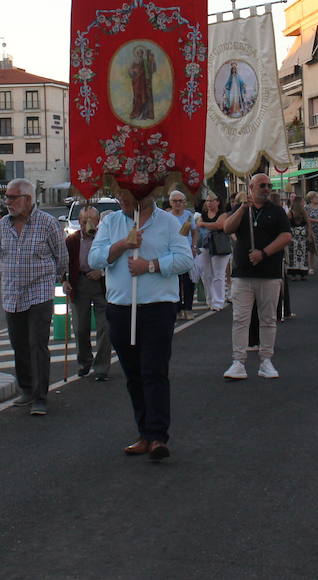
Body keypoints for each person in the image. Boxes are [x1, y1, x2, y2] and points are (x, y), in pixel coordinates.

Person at [88, 187, 192, 460]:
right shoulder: (111, 222)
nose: (122, 199)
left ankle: (157, 436)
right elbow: (94, 258)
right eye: (119, 194)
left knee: (154, 370)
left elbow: (184, 259)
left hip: (158, 306)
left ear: (145, 195)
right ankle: (144, 432)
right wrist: (122, 245)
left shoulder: (168, 222)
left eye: (128, 194)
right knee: (133, 374)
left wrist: (151, 265)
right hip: (120, 307)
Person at [0, 177, 67, 416]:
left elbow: (61, 256)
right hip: (12, 293)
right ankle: (26, 389)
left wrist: (59, 278)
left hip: (39, 292)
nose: (7, 202)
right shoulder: (3, 225)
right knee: (18, 344)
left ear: (27, 199)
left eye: (12, 197)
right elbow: (2, 255)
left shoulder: (47, 223)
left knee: (37, 345)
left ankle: (39, 397)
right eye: (6, 197)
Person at [219, 173, 292, 377]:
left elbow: (286, 236)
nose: (267, 189)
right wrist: (243, 208)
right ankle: (238, 362)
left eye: (269, 185)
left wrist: (264, 253)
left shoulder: (277, 211)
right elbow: (227, 228)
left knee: (268, 319)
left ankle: (266, 360)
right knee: (240, 319)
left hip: (269, 274)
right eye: (262, 185)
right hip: (242, 274)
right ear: (251, 187)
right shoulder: (241, 209)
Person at [63, 205, 111, 381]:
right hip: (80, 283)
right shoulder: (72, 240)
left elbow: (115, 259)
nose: (87, 225)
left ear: (98, 222)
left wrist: (102, 271)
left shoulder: (105, 239)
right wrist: (64, 280)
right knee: (80, 328)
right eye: (84, 222)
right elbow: (64, 262)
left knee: (104, 327)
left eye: (91, 221)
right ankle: (84, 362)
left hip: (101, 285)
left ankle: (101, 368)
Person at [194, 194, 230, 311]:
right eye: (207, 201)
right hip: (205, 245)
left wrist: (204, 224)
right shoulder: (203, 215)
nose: (209, 203)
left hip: (219, 246)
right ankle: (210, 300)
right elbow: (198, 226)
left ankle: (218, 302)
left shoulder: (223, 214)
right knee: (206, 274)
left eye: (211, 200)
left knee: (218, 274)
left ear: (218, 202)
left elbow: (219, 225)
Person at [167, 191, 197, 320]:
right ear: (170, 203)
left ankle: (188, 308)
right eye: (175, 201)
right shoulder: (167, 217)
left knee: (188, 282)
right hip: (173, 253)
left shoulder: (188, 215)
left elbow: (194, 232)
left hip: (187, 252)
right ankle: (178, 309)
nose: (178, 203)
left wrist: (194, 246)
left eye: (180, 201)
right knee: (176, 282)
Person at [285, 195, 310, 282]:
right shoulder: (292, 213)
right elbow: (308, 223)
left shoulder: (295, 212)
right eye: (302, 201)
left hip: (297, 237)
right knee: (299, 256)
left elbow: (308, 223)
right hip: (298, 237)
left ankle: (296, 274)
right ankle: (300, 273)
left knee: (295, 255)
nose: (303, 203)